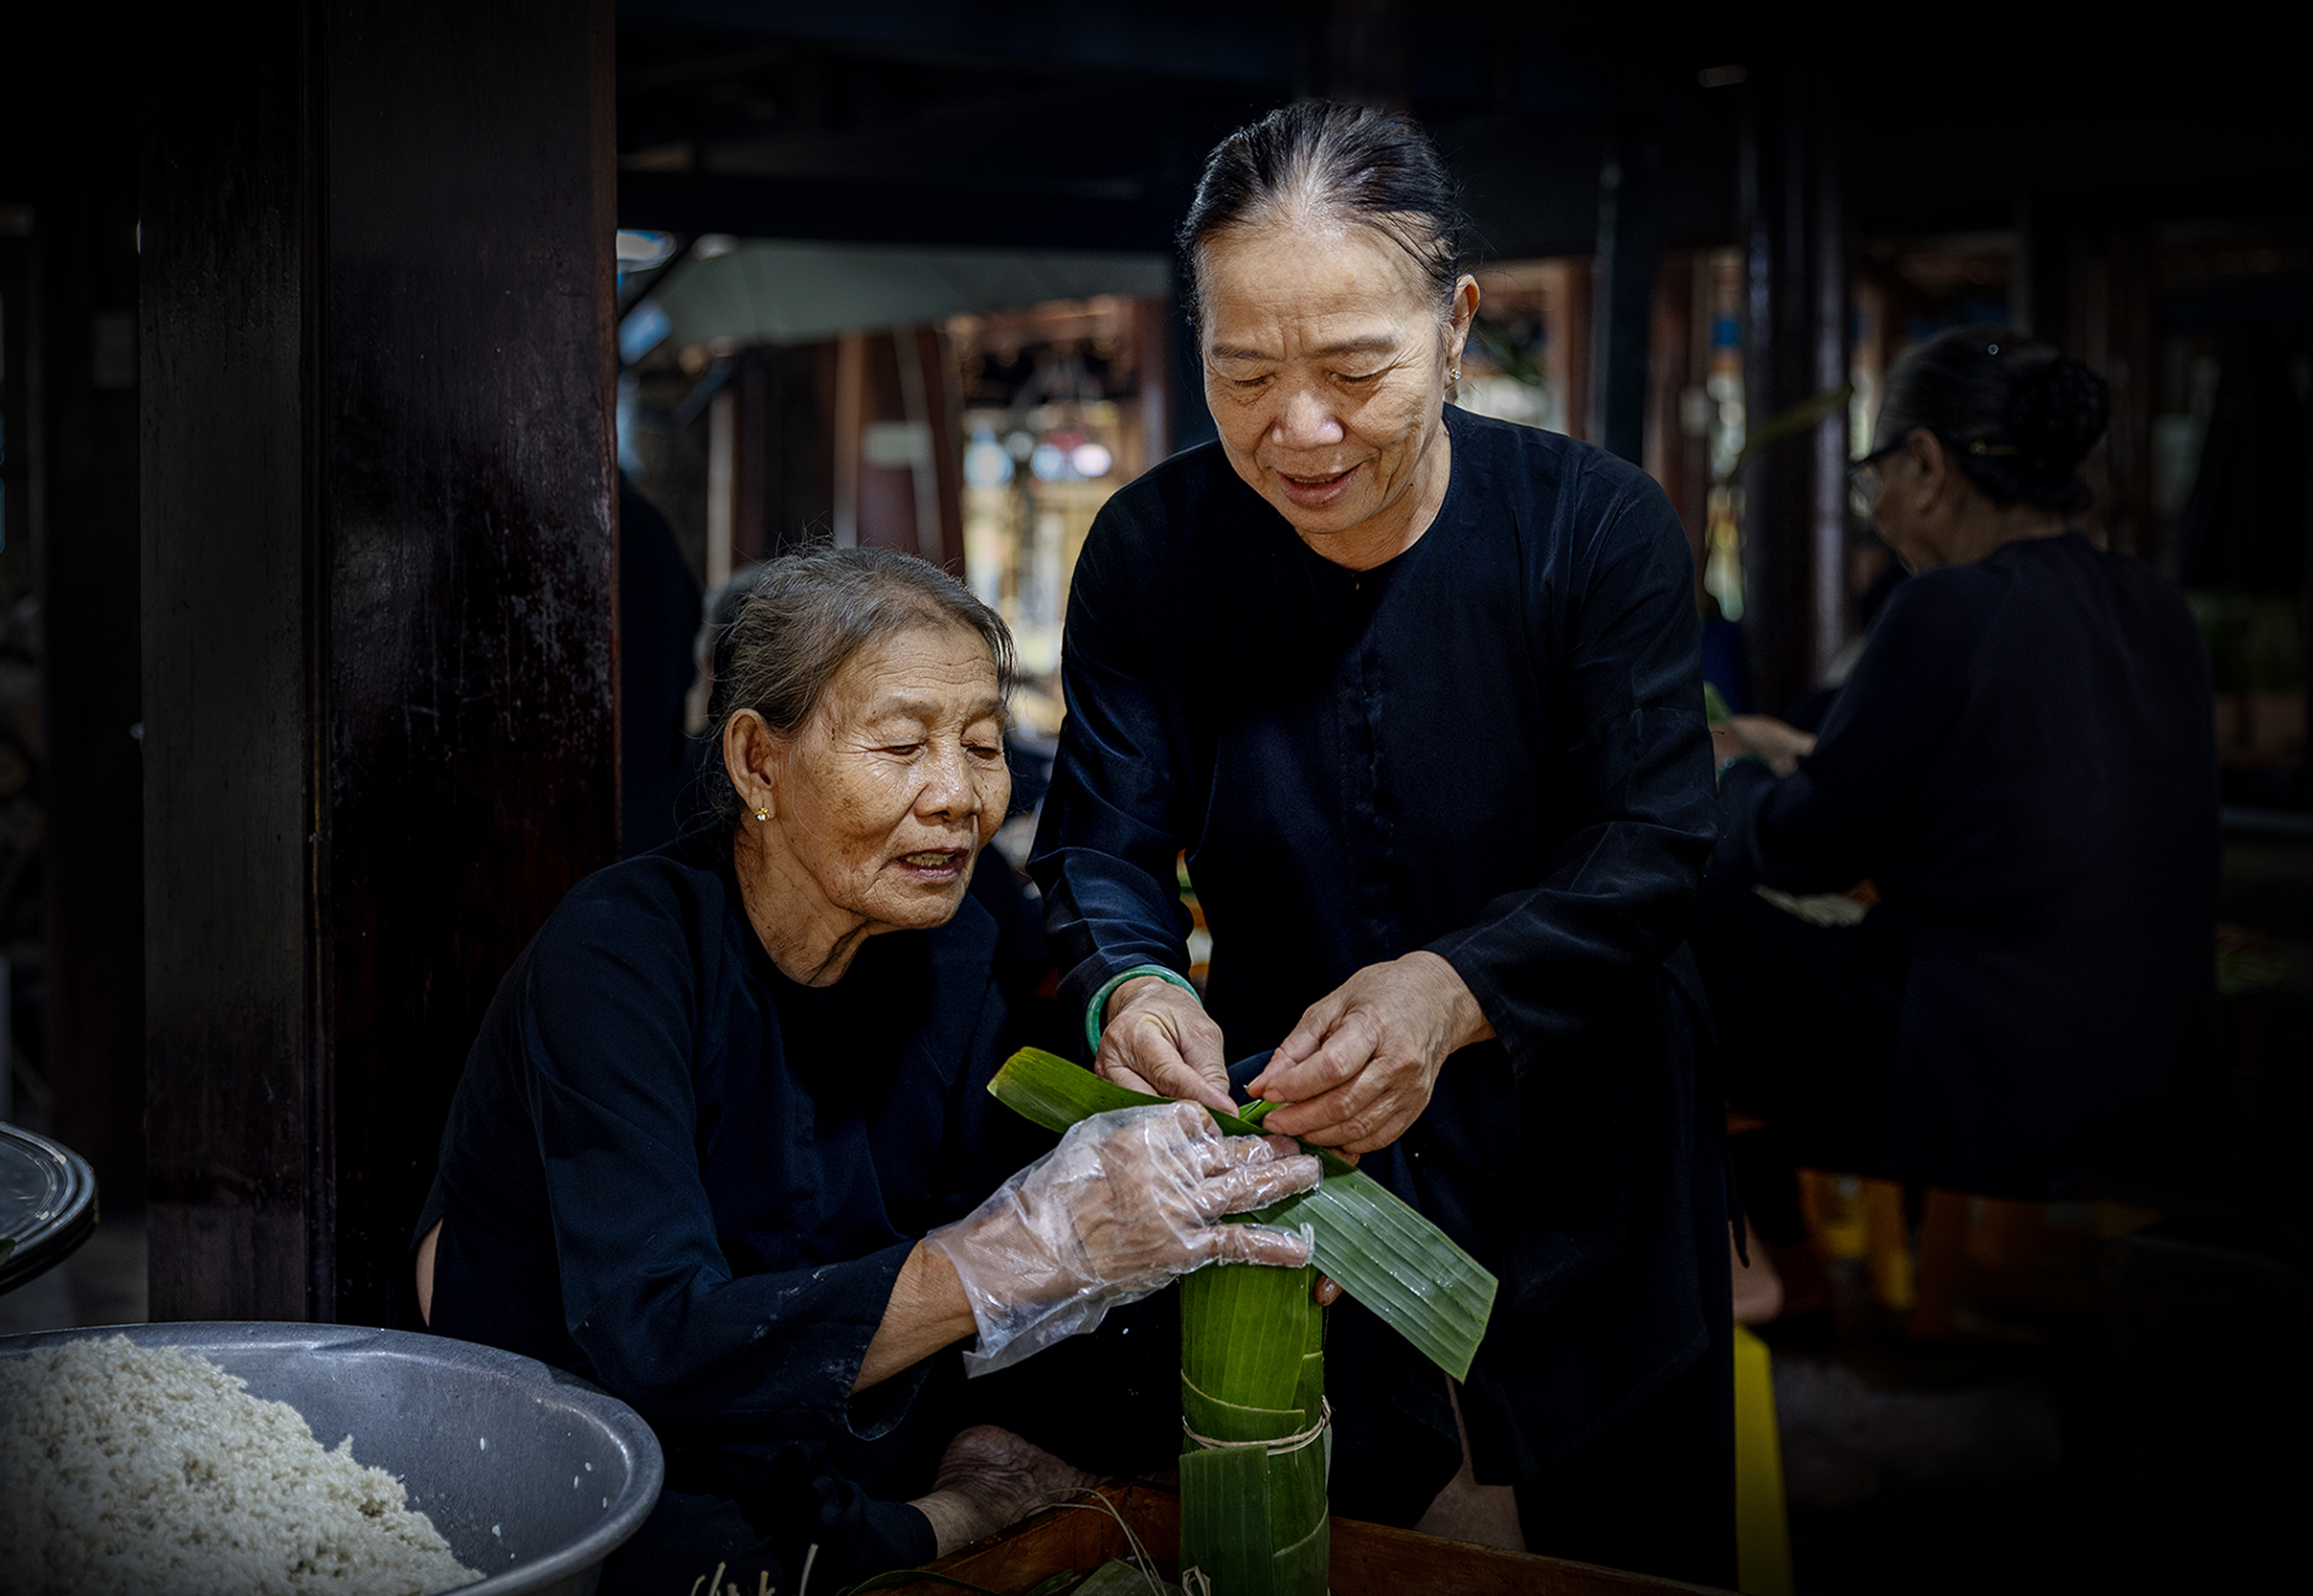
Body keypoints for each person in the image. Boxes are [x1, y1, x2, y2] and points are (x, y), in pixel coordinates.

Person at [1027, 102, 1734, 1584]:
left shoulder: (1592, 530)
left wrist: (1453, 989)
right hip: (1320, 1155)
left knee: (1615, 1541)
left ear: (1457, 322)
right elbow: (1097, 844)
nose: (1301, 429)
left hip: (1585, 1132)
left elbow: (1660, 841)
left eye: (1357, 369)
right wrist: (1135, 987)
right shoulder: (1155, 552)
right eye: (1243, 372)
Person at [411, 548, 1322, 1592]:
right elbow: (653, 1338)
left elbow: (983, 1215)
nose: (959, 796)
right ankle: (943, 1521)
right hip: (607, 1416)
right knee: (692, 1551)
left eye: (981, 745)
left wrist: (1221, 1192)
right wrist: (993, 1260)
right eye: (900, 745)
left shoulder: (950, 945)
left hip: (825, 1414)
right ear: (757, 763)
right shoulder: (619, 955)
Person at [1697, 328, 2219, 1237]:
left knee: (1673, 914)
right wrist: (1806, 758)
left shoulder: (1951, 602)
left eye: (1878, 478)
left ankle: (1748, 1260)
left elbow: (1802, 844)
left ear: (1927, 464)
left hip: (1991, 1076)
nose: (1880, 505)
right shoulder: (2154, 605)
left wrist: (1726, 770)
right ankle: (1777, 1263)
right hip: (2156, 1065)